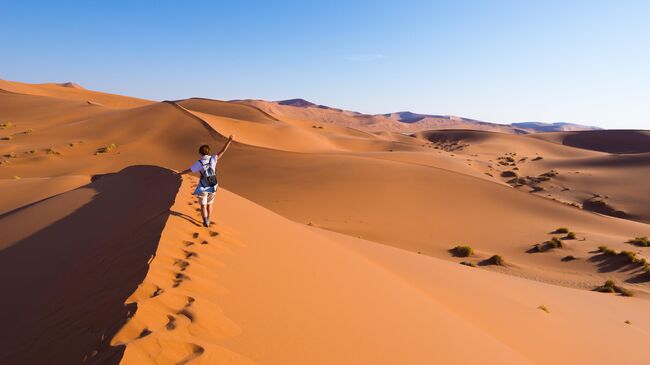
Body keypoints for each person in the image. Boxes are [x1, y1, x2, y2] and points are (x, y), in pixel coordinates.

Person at [178, 135, 234, 227]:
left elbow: (190, 170)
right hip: (213, 184)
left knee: (203, 205)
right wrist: (229, 140)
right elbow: (223, 151)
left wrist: (180, 173)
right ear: (208, 152)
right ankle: (208, 219)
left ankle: (205, 221)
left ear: (200, 153)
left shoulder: (199, 162)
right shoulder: (213, 158)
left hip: (203, 185)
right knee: (210, 204)